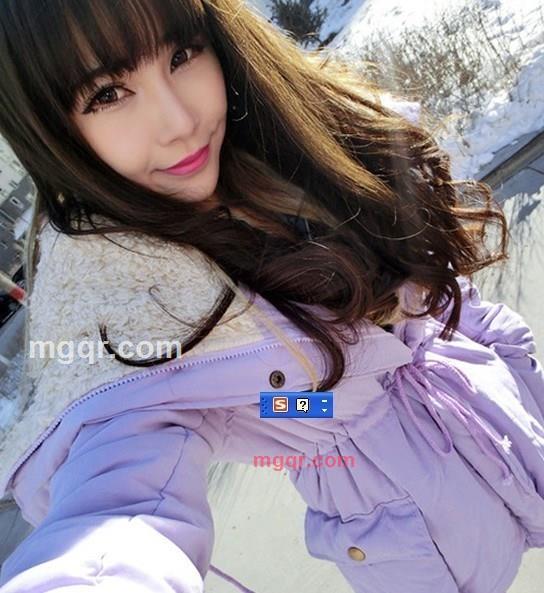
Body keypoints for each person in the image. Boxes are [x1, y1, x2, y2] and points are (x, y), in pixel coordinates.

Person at [0, 1, 543, 592]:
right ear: (51, 132)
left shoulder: (297, 150)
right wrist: (314, 411)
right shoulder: (133, 313)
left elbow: (443, 297)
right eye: (107, 94)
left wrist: (515, 366)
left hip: (517, 443)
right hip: (433, 559)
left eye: (182, 54)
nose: (180, 120)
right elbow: (120, 505)